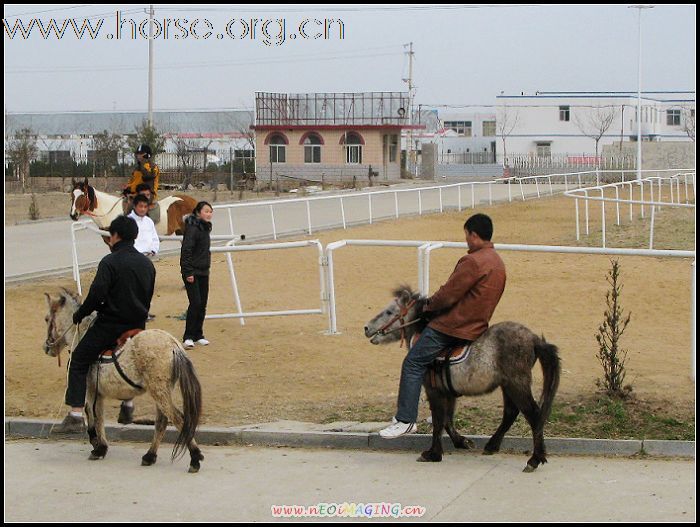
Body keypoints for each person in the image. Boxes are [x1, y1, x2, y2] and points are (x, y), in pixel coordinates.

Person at [379, 213, 507, 439]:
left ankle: (406, 420)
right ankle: (439, 410)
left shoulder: (472, 261)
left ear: (474, 235)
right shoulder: (497, 261)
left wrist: (428, 306)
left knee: (412, 362)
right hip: (478, 326)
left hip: (453, 327)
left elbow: (447, 295)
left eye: (466, 235)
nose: (466, 240)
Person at [54, 215, 156, 433]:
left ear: (115, 236)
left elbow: (96, 295)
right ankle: (127, 405)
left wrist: (80, 313)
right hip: (139, 326)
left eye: (110, 236)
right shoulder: (147, 264)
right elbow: (147, 296)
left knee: (79, 359)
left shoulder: (109, 262)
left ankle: (75, 414)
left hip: (111, 325)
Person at [180, 201, 213, 349]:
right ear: (198, 212)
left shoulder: (205, 228)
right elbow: (186, 251)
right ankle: (188, 336)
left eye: (210, 211)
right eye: (206, 211)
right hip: (192, 272)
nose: (209, 214)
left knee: (203, 304)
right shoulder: (193, 228)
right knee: (195, 303)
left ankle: (198, 334)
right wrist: (188, 272)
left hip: (204, 271)